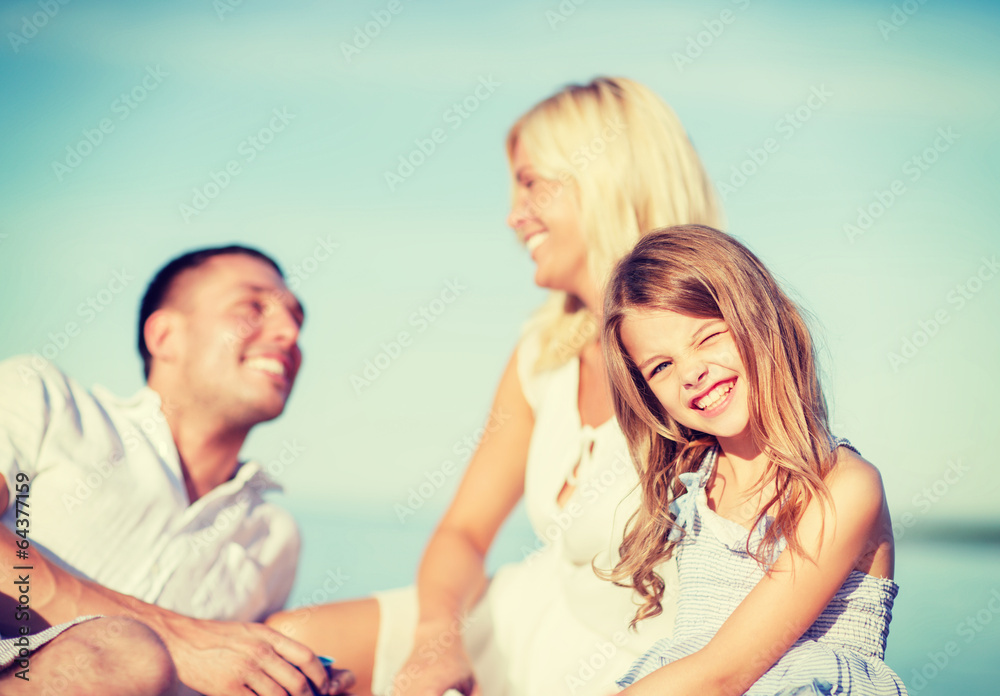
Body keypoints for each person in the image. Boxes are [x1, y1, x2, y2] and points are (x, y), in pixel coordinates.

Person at [266, 77, 723, 696]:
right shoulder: (542, 353)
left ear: (608, 179)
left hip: (637, 664)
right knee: (287, 649)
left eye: (533, 183)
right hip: (527, 616)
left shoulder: (714, 344)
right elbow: (463, 532)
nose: (514, 214)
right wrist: (435, 641)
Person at [0, 245, 349, 695]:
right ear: (165, 336)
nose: (288, 332)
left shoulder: (274, 538)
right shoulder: (41, 398)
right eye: (252, 307)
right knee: (128, 655)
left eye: (296, 320)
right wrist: (174, 638)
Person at [601, 225, 906, 695]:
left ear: (759, 320)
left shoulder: (844, 487)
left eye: (707, 337)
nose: (692, 373)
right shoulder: (694, 490)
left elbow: (724, 675)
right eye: (660, 366)